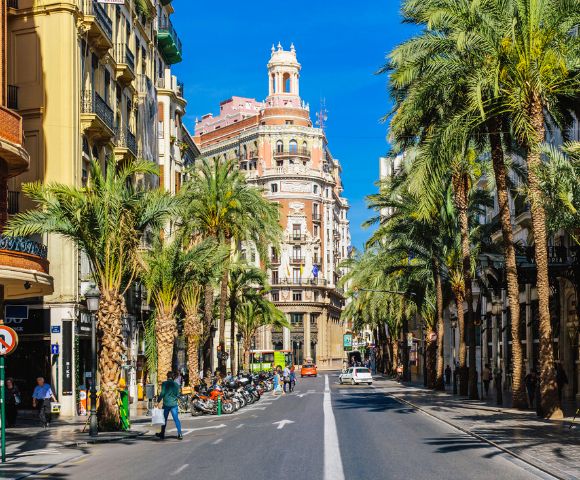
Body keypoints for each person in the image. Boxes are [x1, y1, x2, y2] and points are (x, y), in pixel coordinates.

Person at [155, 372, 183, 440]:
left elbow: (162, 393)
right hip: (174, 404)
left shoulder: (164, 383)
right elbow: (177, 394)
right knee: (176, 419)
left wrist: (157, 401)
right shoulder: (176, 384)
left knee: (164, 419)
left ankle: (162, 433)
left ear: (167, 376)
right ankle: (180, 434)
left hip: (166, 404)